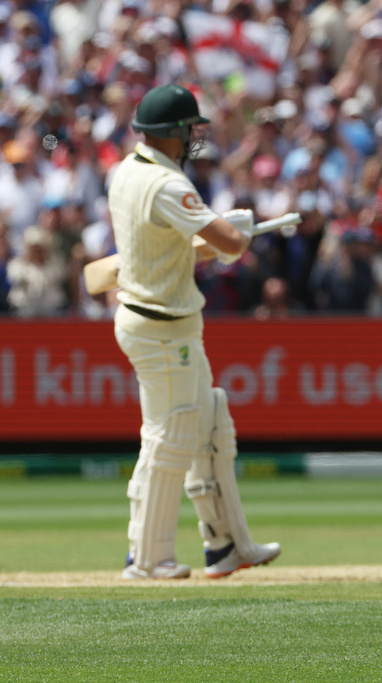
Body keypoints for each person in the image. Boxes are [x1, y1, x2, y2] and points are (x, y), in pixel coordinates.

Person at [109, 83, 281, 580]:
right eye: (189, 129)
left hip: (165, 318)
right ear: (171, 133)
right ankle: (146, 557)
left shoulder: (125, 170)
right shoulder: (166, 185)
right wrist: (238, 230)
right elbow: (229, 246)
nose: (193, 137)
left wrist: (216, 235)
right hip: (160, 324)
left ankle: (227, 545)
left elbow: (168, 244)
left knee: (209, 423)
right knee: (172, 435)